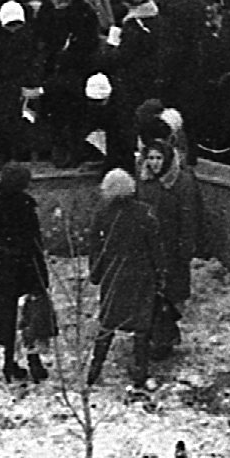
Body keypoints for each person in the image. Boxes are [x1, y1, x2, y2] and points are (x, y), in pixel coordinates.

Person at [87, 165, 162, 390]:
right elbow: (156, 248)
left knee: (108, 322)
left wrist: (96, 273)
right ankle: (140, 371)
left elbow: (95, 247)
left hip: (114, 275)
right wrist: (160, 274)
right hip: (141, 275)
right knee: (142, 327)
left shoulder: (102, 214)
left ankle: (94, 368)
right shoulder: (145, 212)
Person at [0, 161, 54, 384]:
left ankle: (9, 362)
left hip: (6, 264)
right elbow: (34, 239)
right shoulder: (25, 205)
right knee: (31, 312)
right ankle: (34, 361)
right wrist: (41, 272)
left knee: (8, 314)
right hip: (27, 264)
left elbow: (0, 236)